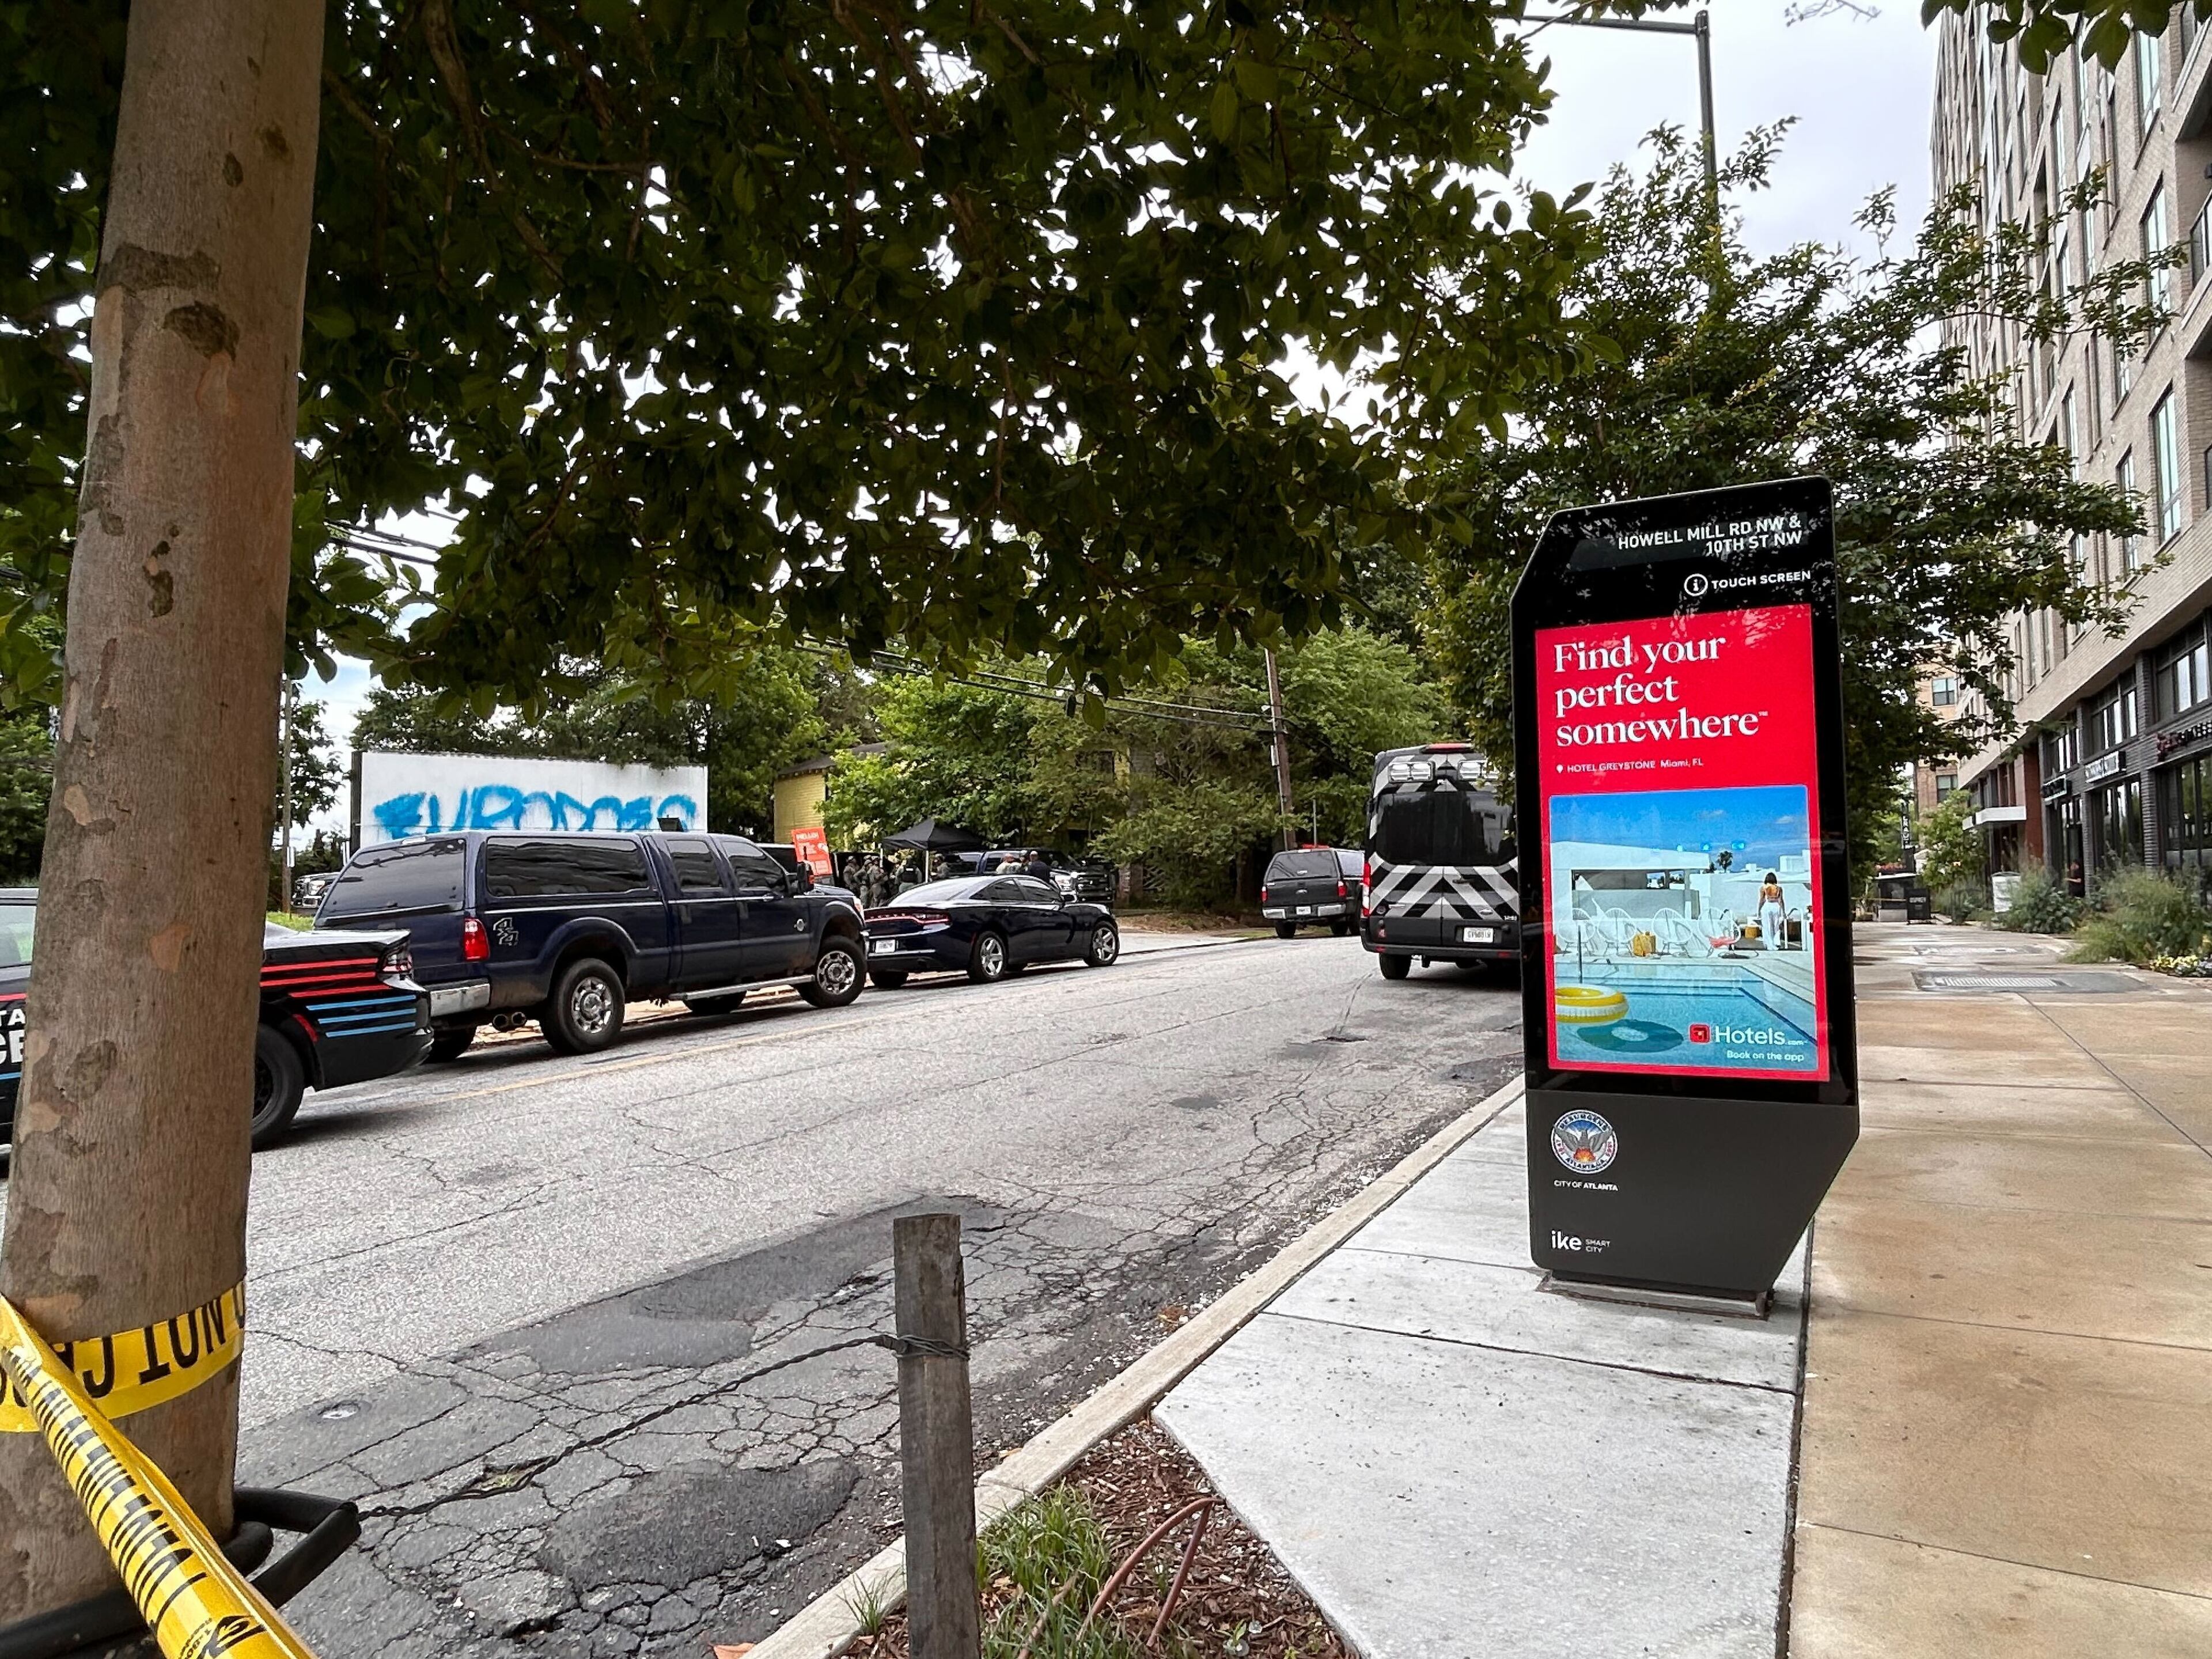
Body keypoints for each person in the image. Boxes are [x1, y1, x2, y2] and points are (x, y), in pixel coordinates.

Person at [1758, 871, 1786, 952]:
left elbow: (1762, 900)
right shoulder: (1779, 888)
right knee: (1776, 926)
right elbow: (1781, 900)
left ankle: (1769, 944)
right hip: (1776, 906)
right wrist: (1783, 912)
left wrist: (1759, 910)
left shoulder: (1763, 888)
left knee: (1767, 926)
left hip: (1767, 906)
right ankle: (1776, 942)